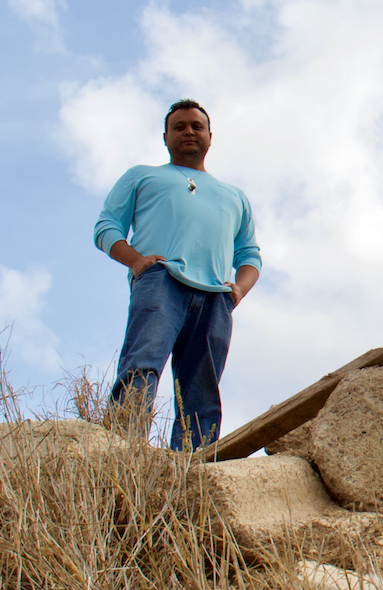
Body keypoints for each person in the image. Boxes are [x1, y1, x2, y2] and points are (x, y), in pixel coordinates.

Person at [94, 99, 261, 448]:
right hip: (160, 281)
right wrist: (137, 263)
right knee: (142, 365)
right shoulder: (143, 176)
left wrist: (238, 290)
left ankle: (191, 465)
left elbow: (249, 254)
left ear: (210, 137)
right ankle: (122, 452)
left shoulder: (234, 196)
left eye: (196, 126)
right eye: (180, 126)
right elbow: (106, 227)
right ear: (166, 137)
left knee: (202, 387)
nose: (188, 131)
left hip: (216, 297)